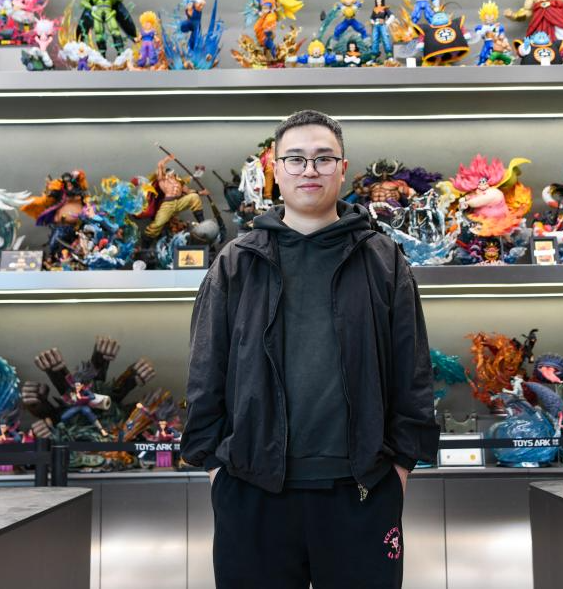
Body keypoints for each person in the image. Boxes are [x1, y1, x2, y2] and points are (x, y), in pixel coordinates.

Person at [181, 109, 438, 588]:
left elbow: (413, 370)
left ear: (343, 169)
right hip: (252, 491)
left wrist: (400, 468)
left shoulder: (382, 259)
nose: (309, 170)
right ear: (276, 170)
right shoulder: (237, 262)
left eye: (324, 158)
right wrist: (216, 468)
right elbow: (205, 371)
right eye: (295, 159)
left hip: (361, 491)